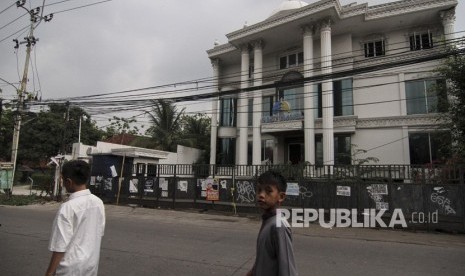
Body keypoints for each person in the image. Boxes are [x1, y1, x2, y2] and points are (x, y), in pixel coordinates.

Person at [45, 160, 106, 276]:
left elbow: (60, 246)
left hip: (69, 269)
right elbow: (99, 232)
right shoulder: (98, 203)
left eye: (62, 180)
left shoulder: (67, 208)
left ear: (69, 182)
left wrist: (49, 272)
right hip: (90, 265)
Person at [246, 170, 298, 276]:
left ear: (281, 197)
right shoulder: (268, 220)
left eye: (268, 191)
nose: (261, 195)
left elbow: (288, 270)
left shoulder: (279, 226)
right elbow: (265, 259)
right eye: (259, 190)